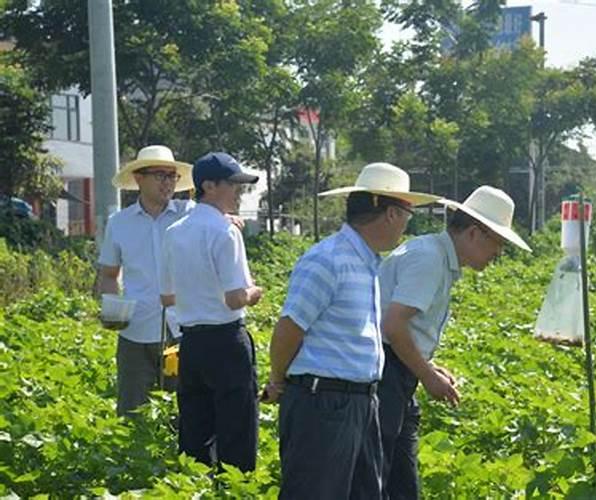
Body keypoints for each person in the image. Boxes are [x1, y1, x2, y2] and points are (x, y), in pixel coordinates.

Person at [262, 163, 438, 499]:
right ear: (390, 214)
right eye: (406, 215)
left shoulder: (367, 262)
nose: (405, 225)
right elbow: (289, 328)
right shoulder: (328, 259)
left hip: (361, 401)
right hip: (322, 403)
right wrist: (277, 379)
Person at [377, 186, 531, 499]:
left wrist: (426, 366)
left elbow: (399, 327)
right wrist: (427, 375)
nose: (498, 254)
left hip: (396, 370)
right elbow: (392, 326)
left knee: (400, 485)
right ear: (475, 233)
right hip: (383, 373)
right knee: (380, 480)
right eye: (498, 243)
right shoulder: (429, 260)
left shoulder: (434, 255)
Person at [159, 152, 263, 472]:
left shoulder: (173, 232)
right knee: (237, 430)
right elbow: (234, 299)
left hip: (191, 344)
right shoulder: (224, 232)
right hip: (227, 341)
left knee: (194, 428)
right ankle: (233, 490)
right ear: (208, 186)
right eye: (232, 185)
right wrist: (254, 293)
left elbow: (167, 297)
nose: (238, 192)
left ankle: (191, 488)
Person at [97, 145, 194, 416]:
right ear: (139, 178)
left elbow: (217, 222)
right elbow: (108, 274)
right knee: (131, 410)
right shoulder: (119, 223)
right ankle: (131, 459)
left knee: (184, 409)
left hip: (182, 329)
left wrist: (228, 219)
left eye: (171, 176)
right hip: (135, 330)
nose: (168, 183)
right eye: (160, 175)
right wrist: (112, 309)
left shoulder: (191, 214)